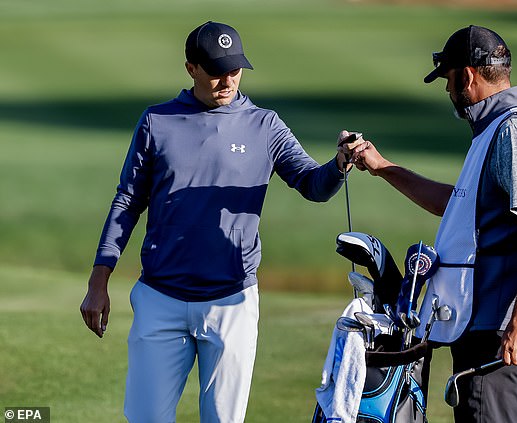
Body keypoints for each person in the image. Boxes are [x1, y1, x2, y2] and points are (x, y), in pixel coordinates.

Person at [80, 21, 355, 423]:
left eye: (235, 70)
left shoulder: (265, 125)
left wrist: (340, 165)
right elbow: (128, 200)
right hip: (161, 297)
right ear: (191, 68)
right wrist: (98, 281)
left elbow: (313, 184)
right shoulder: (157, 121)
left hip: (232, 301)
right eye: (215, 71)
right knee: (144, 417)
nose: (227, 80)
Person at [343, 25, 517, 422]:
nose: (449, 92)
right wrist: (383, 168)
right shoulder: (497, 129)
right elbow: (458, 206)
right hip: (485, 325)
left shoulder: (513, 130)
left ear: (467, 76)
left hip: (497, 331)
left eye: (449, 81)